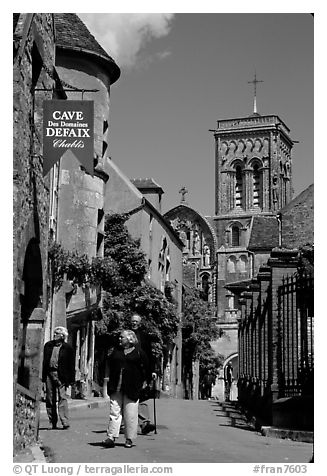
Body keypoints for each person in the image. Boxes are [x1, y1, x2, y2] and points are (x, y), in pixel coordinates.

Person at [102, 330, 149, 448]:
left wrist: (145, 381)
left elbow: (146, 368)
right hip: (116, 386)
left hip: (132, 387)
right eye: (119, 337)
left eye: (121, 337)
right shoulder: (115, 351)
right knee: (114, 412)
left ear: (129, 339)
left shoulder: (139, 352)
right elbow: (108, 364)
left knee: (130, 414)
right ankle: (111, 437)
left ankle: (129, 438)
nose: (119, 339)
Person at [130, 313, 158, 435]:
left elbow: (150, 356)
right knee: (126, 397)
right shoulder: (125, 335)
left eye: (136, 321)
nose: (134, 323)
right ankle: (122, 423)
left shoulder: (144, 337)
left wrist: (153, 370)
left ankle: (145, 423)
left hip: (140, 371)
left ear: (140, 323)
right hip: (127, 371)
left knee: (141, 396)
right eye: (133, 321)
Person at [42, 326, 75, 430]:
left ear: (63, 336)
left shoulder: (68, 348)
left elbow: (71, 365)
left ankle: (65, 421)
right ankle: (52, 422)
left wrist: (70, 380)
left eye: (57, 334)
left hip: (61, 375)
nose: (55, 335)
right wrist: (43, 377)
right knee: (50, 398)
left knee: (62, 398)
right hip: (49, 373)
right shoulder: (48, 345)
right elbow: (44, 361)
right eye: (55, 333)